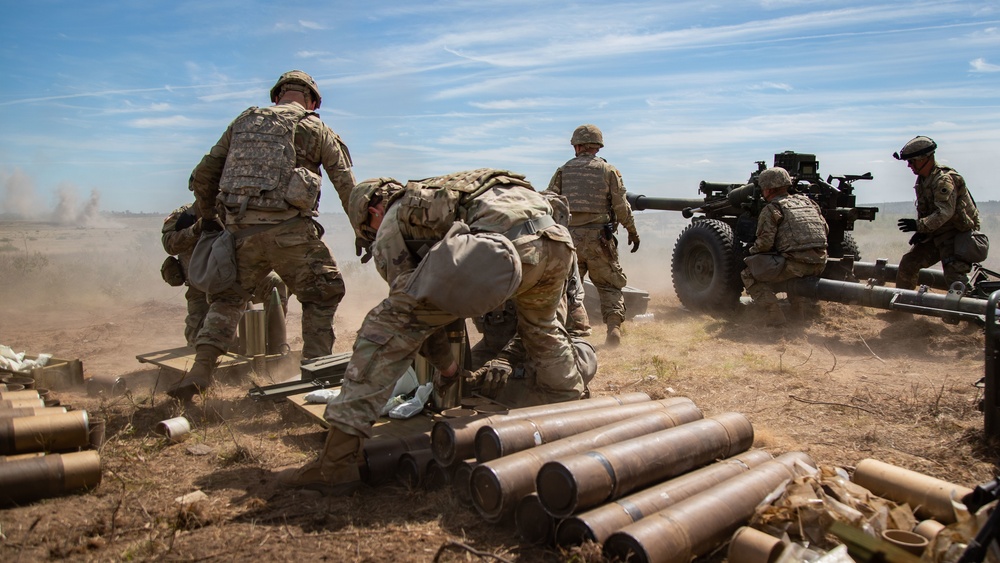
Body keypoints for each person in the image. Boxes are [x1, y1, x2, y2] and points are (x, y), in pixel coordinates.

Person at [277, 169, 586, 494]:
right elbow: (436, 296)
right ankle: (571, 412)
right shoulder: (448, 193)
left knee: (384, 329)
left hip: (506, 249)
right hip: (556, 243)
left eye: (368, 231)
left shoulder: (394, 219)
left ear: (372, 212)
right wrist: (450, 368)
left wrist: (444, 365)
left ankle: (335, 464)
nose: (374, 236)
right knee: (543, 330)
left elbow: (408, 312)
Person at [174, 70, 356, 400]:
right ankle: (315, 376)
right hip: (291, 233)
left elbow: (203, 174)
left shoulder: (243, 121)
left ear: (277, 96)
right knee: (323, 293)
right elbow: (345, 184)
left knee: (228, 299)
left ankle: (201, 370)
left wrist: (210, 220)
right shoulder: (315, 127)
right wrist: (363, 231)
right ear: (313, 101)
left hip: (240, 233)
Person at [547, 124, 639, 347]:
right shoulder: (608, 171)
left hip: (569, 241)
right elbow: (621, 207)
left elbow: (550, 203)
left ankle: (568, 336)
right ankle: (614, 327)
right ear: (597, 146)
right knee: (609, 285)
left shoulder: (563, 171)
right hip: (600, 239)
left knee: (566, 288)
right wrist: (632, 231)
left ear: (577, 146)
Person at [161, 201, 289, 349]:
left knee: (275, 283)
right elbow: (169, 244)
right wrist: (196, 229)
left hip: (238, 279)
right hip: (202, 287)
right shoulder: (184, 215)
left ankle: (271, 345)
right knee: (199, 342)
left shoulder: (234, 208)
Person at [740, 167, 829, 327]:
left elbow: (764, 244)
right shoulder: (808, 202)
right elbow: (825, 230)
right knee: (794, 273)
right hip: (819, 263)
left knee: (749, 274)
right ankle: (798, 314)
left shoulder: (772, 209)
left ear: (768, 189)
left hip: (796, 265)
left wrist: (751, 253)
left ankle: (774, 317)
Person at [893, 136, 982, 292]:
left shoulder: (943, 180)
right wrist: (922, 233)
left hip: (957, 238)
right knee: (909, 263)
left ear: (924, 159)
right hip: (937, 236)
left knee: (956, 283)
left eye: (912, 161)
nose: (909, 165)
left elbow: (944, 213)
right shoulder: (923, 180)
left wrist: (919, 225)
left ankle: (978, 310)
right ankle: (902, 310)